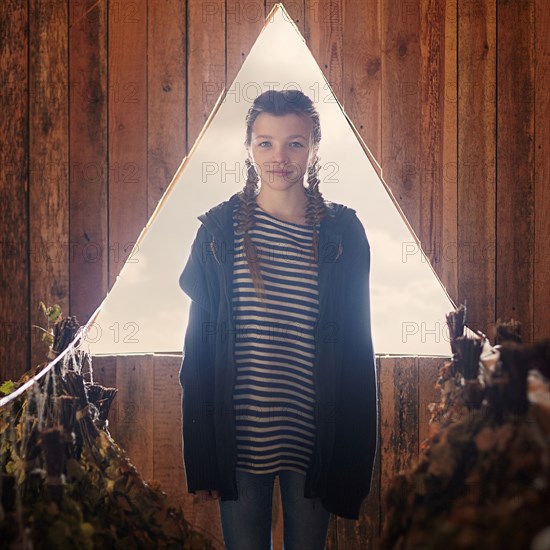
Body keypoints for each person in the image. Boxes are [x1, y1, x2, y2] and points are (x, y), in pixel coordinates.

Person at [178, 89, 378, 550]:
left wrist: (349, 462)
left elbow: (355, 348)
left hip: (314, 439)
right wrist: (203, 456)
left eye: (295, 143)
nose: (279, 157)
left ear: (314, 147)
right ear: (248, 147)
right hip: (240, 439)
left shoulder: (343, 234)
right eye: (265, 142)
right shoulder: (217, 234)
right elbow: (200, 352)